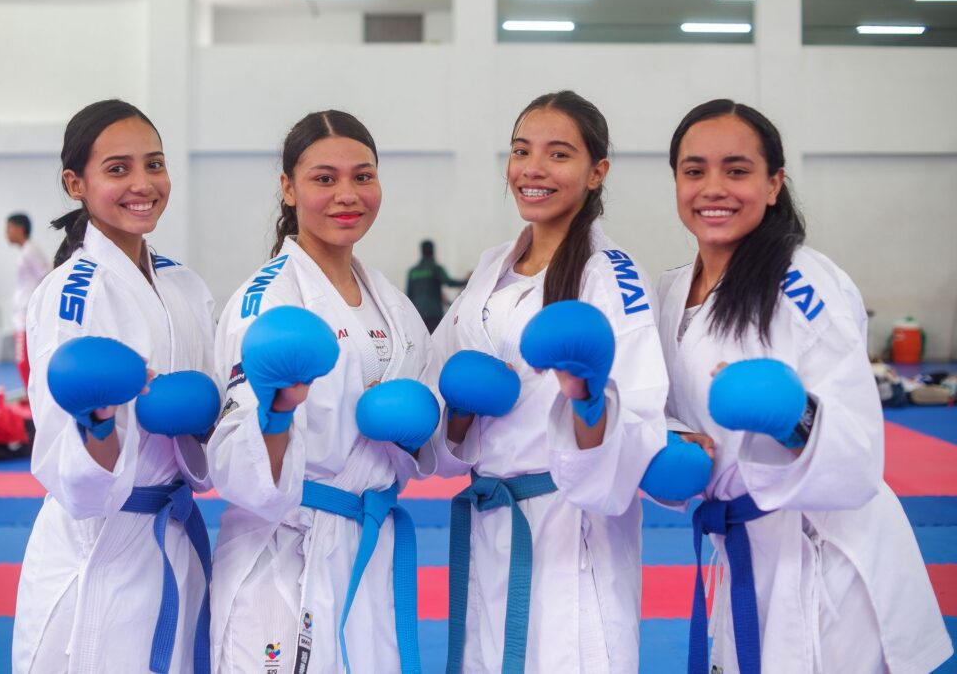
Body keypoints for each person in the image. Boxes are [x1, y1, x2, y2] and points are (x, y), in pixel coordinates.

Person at [658, 99, 953, 674]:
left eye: (737, 170)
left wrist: (791, 414)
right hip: (744, 546)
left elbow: (859, 452)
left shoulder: (804, 284)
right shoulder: (672, 290)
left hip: (824, 560)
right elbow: (672, 410)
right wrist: (670, 441)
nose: (713, 187)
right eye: (694, 171)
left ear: (774, 184)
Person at [432, 91, 672, 674]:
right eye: (521, 152)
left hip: (571, 533)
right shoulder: (491, 268)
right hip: (492, 520)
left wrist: (589, 401)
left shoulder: (612, 276)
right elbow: (438, 395)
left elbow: (639, 415)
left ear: (597, 172)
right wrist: (457, 410)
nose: (532, 170)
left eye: (557, 154)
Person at [207, 110, 439, 674]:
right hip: (286, 552)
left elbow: (429, 441)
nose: (347, 195)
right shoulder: (266, 302)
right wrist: (279, 411)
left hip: (366, 543)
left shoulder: (390, 299)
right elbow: (236, 469)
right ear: (288, 188)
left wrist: (420, 427)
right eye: (324, 178)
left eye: (363, 176)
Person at [12, 99, 218, 674]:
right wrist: (98, 422)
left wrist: (208, 417)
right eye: (118, 169)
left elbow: (210, 427)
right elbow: (71, 476)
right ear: (75, 183)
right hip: (97, 549)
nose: (143, 184)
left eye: (154, 164)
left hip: (171, 534)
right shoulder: (68, 293)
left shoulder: (185, 283)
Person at [5, 212, 50, 388]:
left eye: (9, 228)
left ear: (19, 229)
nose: (6, 233)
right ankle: (33, 395)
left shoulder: (30, 250)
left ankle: (34, 399)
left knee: (23, 360)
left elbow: (46, 276)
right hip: (22, 313)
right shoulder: (26, 250)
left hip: (26, 315)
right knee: (24, 360)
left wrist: (34, 308)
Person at [406, 239, 467, 332]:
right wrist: (467, 281)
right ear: (433, 251)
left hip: (417, 314)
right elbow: (449, 283)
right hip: (434, 313)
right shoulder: (436, 269)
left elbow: (408, 295)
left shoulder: (412, 272)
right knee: (434, 341)